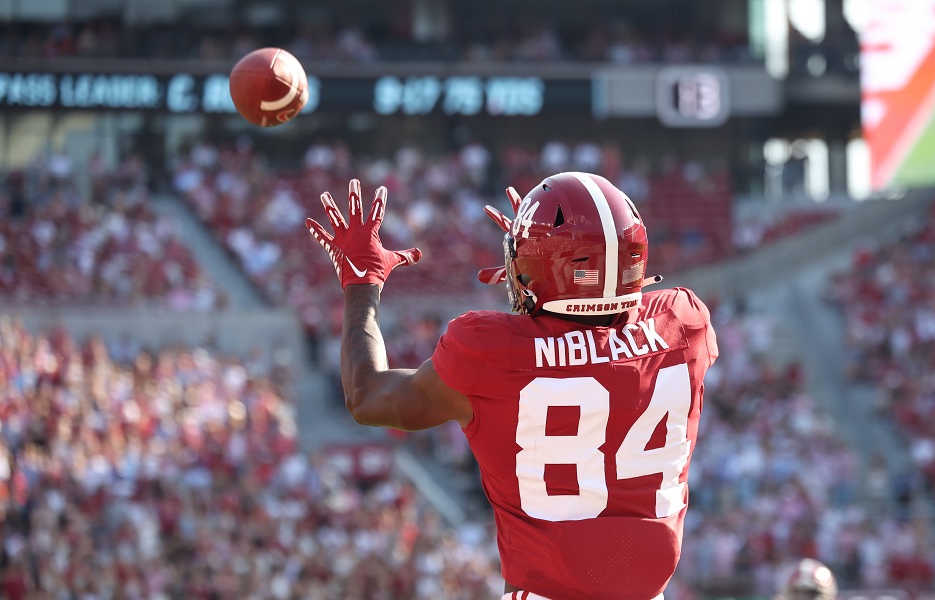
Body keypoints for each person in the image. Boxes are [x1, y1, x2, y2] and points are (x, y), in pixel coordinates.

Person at [306, 173, 719, 600]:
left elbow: (367, 396)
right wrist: (545, 265)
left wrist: (361, 287)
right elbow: (599, 346)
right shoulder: (684, 321)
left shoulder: (487, 347)